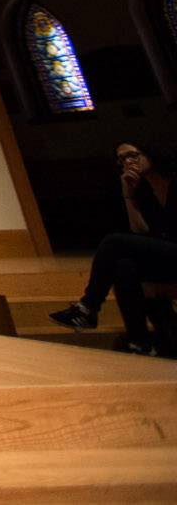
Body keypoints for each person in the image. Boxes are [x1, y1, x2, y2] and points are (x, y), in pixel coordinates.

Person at [49, 142, 177, 355]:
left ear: (152, 152)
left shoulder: (173, 182)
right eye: (122, 159)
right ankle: (139, 341)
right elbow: (142, 233)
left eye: (133, 155)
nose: (128, 162)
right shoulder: (144, 190)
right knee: (123, 266)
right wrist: (129, 195)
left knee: (113, 242)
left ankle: (88, 306)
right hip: (169, 255)